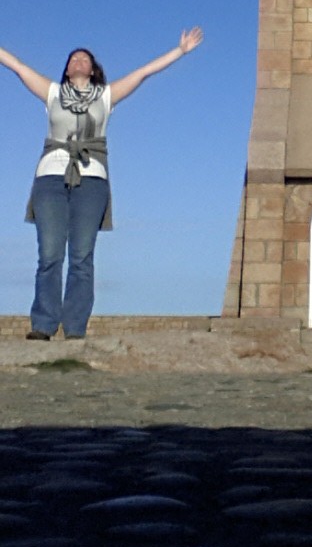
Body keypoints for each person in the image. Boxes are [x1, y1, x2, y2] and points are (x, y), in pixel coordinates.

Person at [0, 29, 203, 340]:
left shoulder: (106, 96)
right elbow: (17, 66)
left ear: (92, 70)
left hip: (92, 179)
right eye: (74, 58)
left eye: (85, 59)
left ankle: (76, 329)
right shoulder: (53, 93)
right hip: (51, 178)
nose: (79, 61)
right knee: (50, 254)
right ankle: (43, 325)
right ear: (67, 69)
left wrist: (181, 51)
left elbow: (144, 72)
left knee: (82, 256)